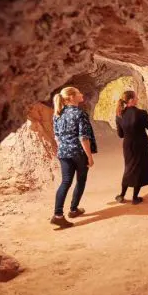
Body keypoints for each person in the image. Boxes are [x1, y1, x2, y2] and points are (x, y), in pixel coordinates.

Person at [51, 86, 97, 228]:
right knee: (81, 180)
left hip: (63, 152)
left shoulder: (57, 113)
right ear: (71, 97)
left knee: (65, 182)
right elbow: (83, 138)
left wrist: (64, 148)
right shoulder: (79, 113)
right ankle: (73, 209)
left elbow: (57, 137)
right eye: (78, 93)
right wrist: (89, 156)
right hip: (78, 153)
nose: (81, 94)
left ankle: (58, 215)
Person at [115, 90, 148, 204]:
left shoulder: (119, 114)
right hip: (141, 145)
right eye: (136, 98)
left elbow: (120, 135)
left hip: (128, 145)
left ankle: (121, 195)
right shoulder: (141, 113)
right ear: (131, 100)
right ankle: (135, 198)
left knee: (128, 169)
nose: (138, 99)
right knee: (139, 170)